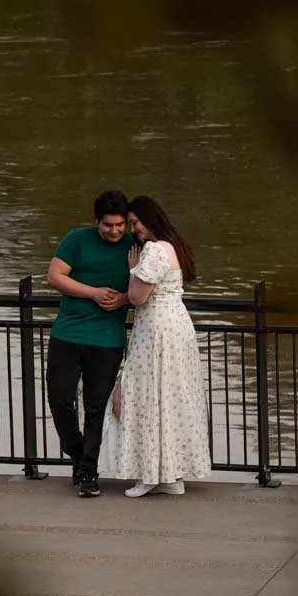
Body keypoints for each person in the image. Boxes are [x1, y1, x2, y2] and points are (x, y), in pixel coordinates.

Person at [101, 194, 211, 498]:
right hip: (175, 326)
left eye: (135, 222)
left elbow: (137, 297)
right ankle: (171, 476)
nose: (133, 229)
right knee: (170, 397)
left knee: (146, 396)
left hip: (157, 330)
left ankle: (149, 474)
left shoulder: (154, 250)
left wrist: (133, 269)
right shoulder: (172, 246)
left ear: (150, 219)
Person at [45, 190, 132, 497]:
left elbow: (146, 286)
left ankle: (87, 475)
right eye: (108, 225)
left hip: (106, 340)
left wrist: (123, 299)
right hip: (67, 334)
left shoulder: (135, 247)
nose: (115, 230)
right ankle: (78, 452)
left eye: (120, 224)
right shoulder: (77, 239)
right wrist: (93, 292)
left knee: (96, 408)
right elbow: (54, 277)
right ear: (97, 221)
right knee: (59, 400)